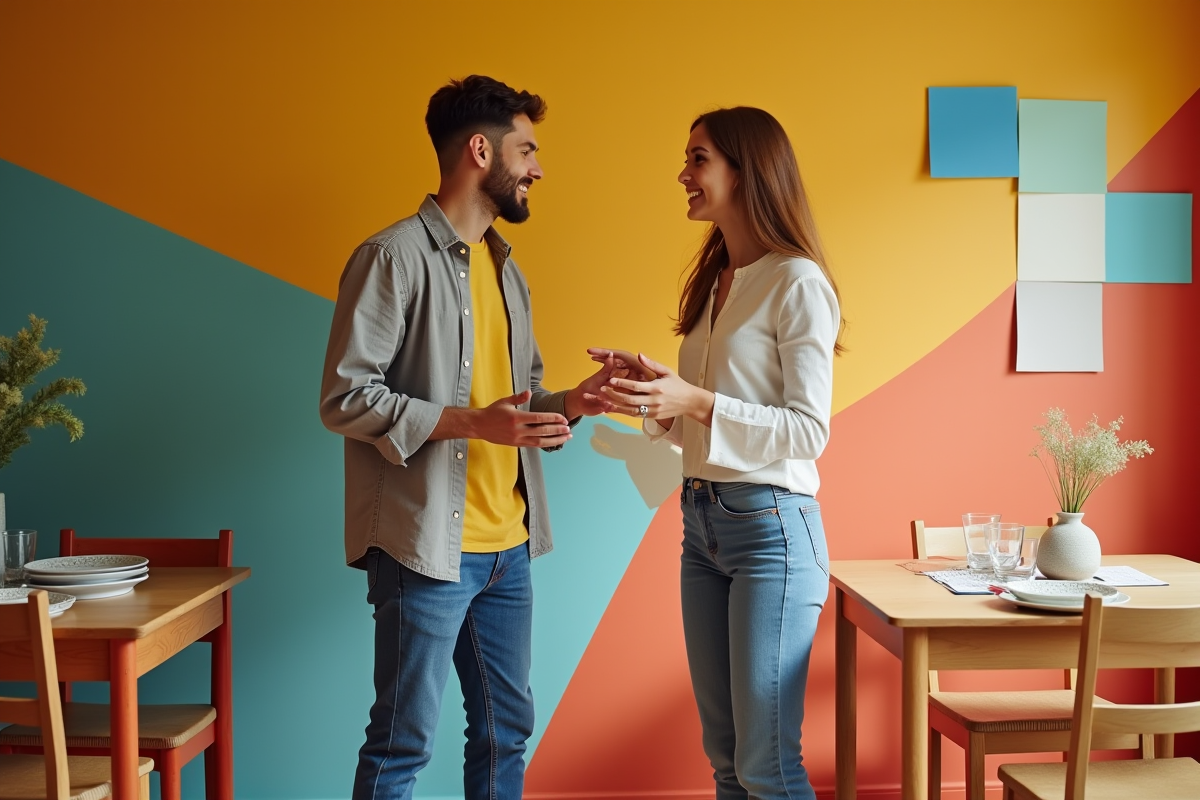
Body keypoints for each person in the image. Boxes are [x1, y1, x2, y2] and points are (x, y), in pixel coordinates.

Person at [319, 75, 620, 800]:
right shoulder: (391, 258)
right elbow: (344, 398)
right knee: (401, 742)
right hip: (424, 549)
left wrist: (574, 403)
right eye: (528, 150)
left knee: (505, 734)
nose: (538, 168)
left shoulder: (506, 271)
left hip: (507, 549)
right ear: (480, 151)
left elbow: (517, 402)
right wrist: (469, 422)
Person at [587, 106, 844, 800]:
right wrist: (654, 401)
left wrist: (694, 401)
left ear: (746, 169)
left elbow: (805, 431)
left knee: (768, 765)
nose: (684, 174)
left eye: (698, 159)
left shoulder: (798, 283)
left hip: (771, 532)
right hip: (701, 524)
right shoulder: (716, 281)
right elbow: (707, 422)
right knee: (727, 762)